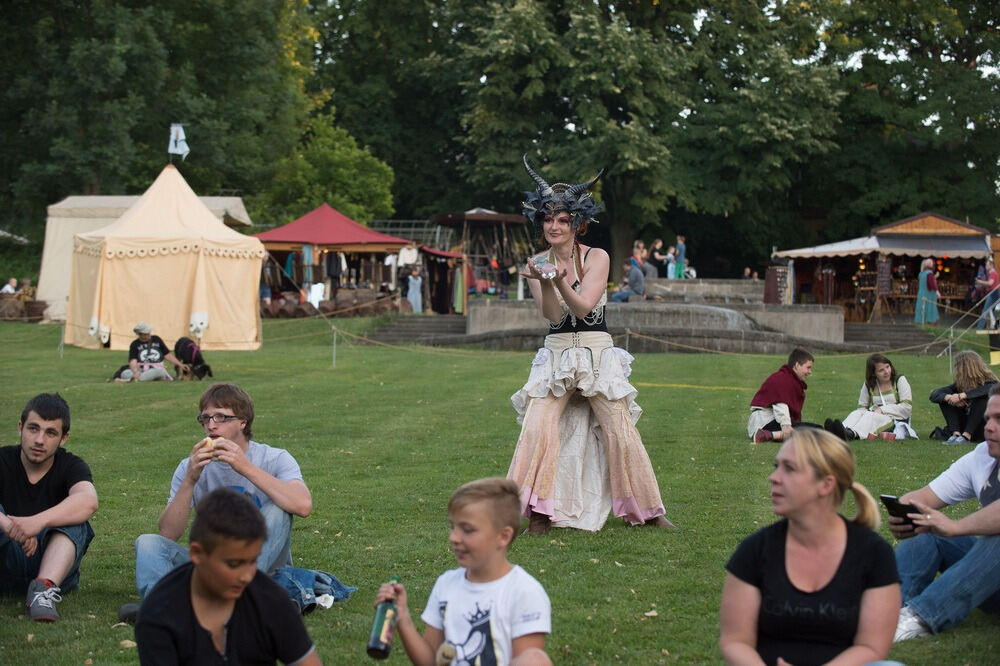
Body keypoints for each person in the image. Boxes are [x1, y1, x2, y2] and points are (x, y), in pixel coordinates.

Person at [508, 155, 671, 532]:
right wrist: (545, 280)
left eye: (562, 220)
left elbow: (582, 307)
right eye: (548, 219)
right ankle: (538, 512)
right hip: (558, 354)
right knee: (538, 426)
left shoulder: (598, 257)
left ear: (577, 224)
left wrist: (561, 278)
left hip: (598, 354)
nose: (554, 225)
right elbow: (553, 316)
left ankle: (650, 511)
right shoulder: (536, 263)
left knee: (619, 429)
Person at [123, 383, 312, 620]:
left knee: (278, 508)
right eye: (206, 418)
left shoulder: (274, 458)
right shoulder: (190, 465)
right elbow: (168, 533)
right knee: (148, 542)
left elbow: (303, 505)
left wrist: (245, 467)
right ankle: (163, 607)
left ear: (242, 421)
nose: (211, 425)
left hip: (264, 568)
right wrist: (190, 480)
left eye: (221, 417)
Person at [719, 428, 900, 665]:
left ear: (825, 485)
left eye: (789, 468)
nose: (774, 477)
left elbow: (872, 646)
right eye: (777, 466)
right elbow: (735, 641)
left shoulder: (873, 553)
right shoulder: (756, 550)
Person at [374, 478, 552, 666]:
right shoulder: (446, 584)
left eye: (467, 530)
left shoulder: (524, 592)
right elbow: (429, 661)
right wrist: (402, 616)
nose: (454, 538)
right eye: (453, 527)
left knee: (536, 659)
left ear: (503, 536)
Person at [135, 488, 321, 665]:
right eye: (234, 564)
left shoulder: (271, 600)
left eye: (252, 561)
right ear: (197, 554)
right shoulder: (159, 613)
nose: (247, 576)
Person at [890, 382, 1000, 643]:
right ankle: (889, 611)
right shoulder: (982, 456)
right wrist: (904, 511)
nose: (989, 427)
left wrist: (956, 526)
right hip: (991, 579)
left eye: (999, 419)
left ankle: (921, 615)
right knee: (924, 522)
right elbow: (924, 497)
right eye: (988, 418)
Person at [0, 393, 98, 622]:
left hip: (55, 569)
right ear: (20, 428)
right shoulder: (3, 459)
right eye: (33, 428)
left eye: (50, 432)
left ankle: (42, 592)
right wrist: (10, 525)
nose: (39, 440)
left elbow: (88, 500)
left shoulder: (71, 465)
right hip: (5, 561)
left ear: (63, 438)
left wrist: (37, 522)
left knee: (77, 520)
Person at [929, 350, 998, 444]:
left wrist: (962, 396)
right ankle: (955, 435)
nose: (956, 370)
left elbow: (989, 388)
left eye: (958, 366)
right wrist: (949, 397)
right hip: (964, 424)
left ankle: (966, 436)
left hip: (984, 427)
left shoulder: (991, 383)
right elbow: (935, 394)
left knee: (981, 398)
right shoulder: (960, 385)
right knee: (946, 397)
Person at [841, 353, 915, 441]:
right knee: (856, 413)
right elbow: (862, 407)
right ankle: (840, 430)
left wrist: (882, 410)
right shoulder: (869, 384)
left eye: (887, 367)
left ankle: (852, 434)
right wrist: (864, 414)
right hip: (876, 415)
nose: (886, 372)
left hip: (895, 421)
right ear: (873, 373)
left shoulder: (899, 380)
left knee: (871, 416)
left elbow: (906, 408)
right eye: (881, 370)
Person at [747, 348, 816, 443]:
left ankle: (769, 435)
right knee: (813, 431)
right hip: (764, 422)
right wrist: (786, 426)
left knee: (809, 429)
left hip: (765, 421)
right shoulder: (783, 379)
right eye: (808, 367)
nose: (810, 372)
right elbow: (781, 403)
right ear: (797, 365)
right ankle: (767, 435)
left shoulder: (787, 378)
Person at [117, 322, 189, 382]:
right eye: (145, 334)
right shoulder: (135, 344)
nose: (148, 336)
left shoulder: (156, 339)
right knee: (125, 373)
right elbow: (133, 361)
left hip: (156, 368)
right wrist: (136, 372)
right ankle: (140, 378)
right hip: (142, 369)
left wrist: (180, 365)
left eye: (148, 333)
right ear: (140, 334)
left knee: (159, 372)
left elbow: (167, 355)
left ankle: (131, 380)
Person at [975, 257, 999, 330]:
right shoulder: (993, 273)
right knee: (993, 312)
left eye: (987, 265)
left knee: (985, 311)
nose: (986, 266)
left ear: (991, 265)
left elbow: (990, 283)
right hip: (995, 293)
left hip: (993, 293)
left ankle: (979, 328)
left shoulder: (992, 273)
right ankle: (995, 327)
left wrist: (980, 282)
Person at [914, 258, 939, 325]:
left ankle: (921, 321)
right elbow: (931, 284)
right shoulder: (929, 273)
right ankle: (930, 321)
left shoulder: (921, 273)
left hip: (921, 293)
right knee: (929, 308)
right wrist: (937, 291)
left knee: (922, 307)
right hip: (928, 294)